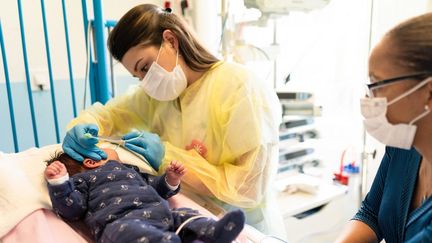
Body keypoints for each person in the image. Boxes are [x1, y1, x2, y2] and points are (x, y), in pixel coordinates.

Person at [62, 3, 282, 234]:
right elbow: (108, 116)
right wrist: (82, 128)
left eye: (145, 67)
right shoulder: (155, 98)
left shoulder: (240, 88)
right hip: (185, 218)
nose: (145, 81)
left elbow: (248, 188)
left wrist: (167, 157)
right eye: (138, 76)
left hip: (243, 226)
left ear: (171, 40)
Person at [336, 12, 432, 243]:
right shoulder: (404, 145)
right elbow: (371, 213)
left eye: (378, 85)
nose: (369, 99)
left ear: (428, 92)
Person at [44, 147, 245, 243]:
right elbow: (72, 209)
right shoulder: (82, 181)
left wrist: (170, 179)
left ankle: (213, 231)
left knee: (185, 214)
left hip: (160, 212)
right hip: (121, 222)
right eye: (101, 147)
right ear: (91, 161)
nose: (114, 149)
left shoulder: (131, 170)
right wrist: (59, 182)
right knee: (127, 234)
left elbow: (156, 187)